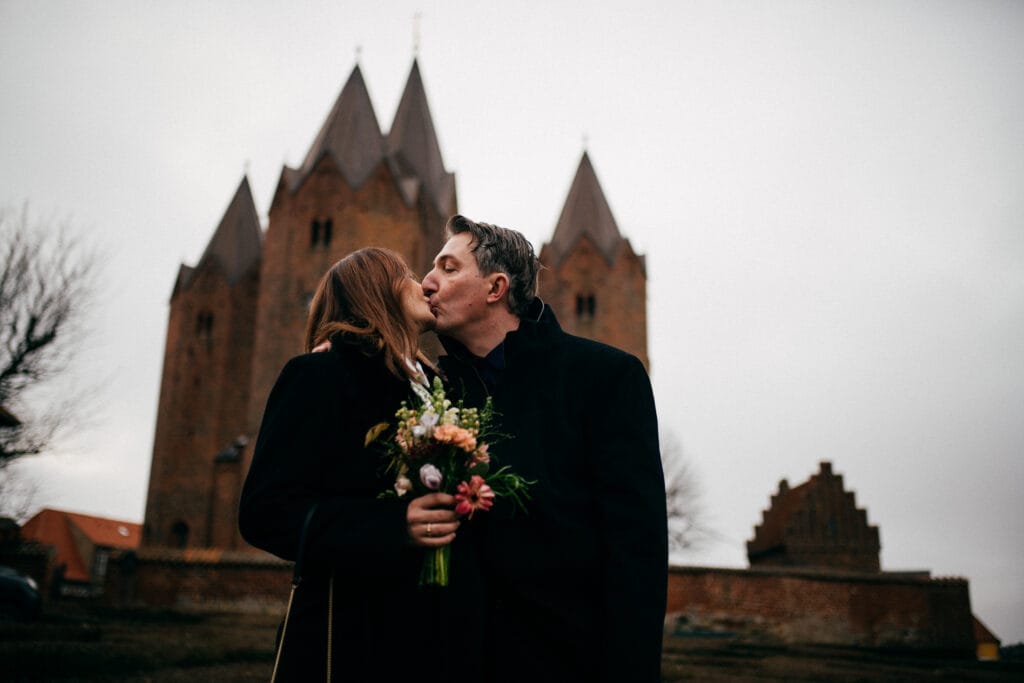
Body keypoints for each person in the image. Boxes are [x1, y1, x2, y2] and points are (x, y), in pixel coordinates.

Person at [420, 215, 669, 683]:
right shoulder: (428, 394)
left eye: (448, 268)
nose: (426, 283)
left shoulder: (605, 378)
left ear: (496, 287)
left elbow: (637, 556)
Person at [238, 247, 470, 682]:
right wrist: (392, 526)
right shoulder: (318, 375)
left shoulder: (437, 386)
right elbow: (264, 512)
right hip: (351, 636)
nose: (421, 282)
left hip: (431, 640)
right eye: (404, 274)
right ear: (375, 291)